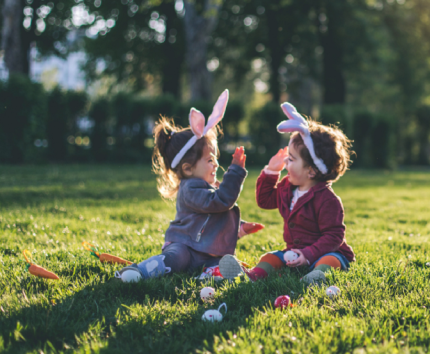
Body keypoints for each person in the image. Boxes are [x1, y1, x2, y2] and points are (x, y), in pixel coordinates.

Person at [116, 90, 263, 282]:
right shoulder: (191, 189)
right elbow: (221, 202)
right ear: (187, 168)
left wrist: (240, 228)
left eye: (216, 158)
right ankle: (140, 272)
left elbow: (214, 217)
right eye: (210, 159)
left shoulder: (205, 187)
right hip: (185, 245)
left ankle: (211, 274)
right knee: (176, 259)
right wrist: (235, 172)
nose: (216, 165)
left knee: (218, 262)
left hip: (206, 250)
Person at [218, 102, 354, 284]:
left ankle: (316, 276)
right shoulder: (287, 188)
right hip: (293, 254)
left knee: (330, 260)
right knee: (270, 257)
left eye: (291, 159)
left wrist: (308, 254)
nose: (286, 164)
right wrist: (271, 172)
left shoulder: (328, 200)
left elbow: (334, 236)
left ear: (311, 171)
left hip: (325, 252)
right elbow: (264, 200)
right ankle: (251, 275)